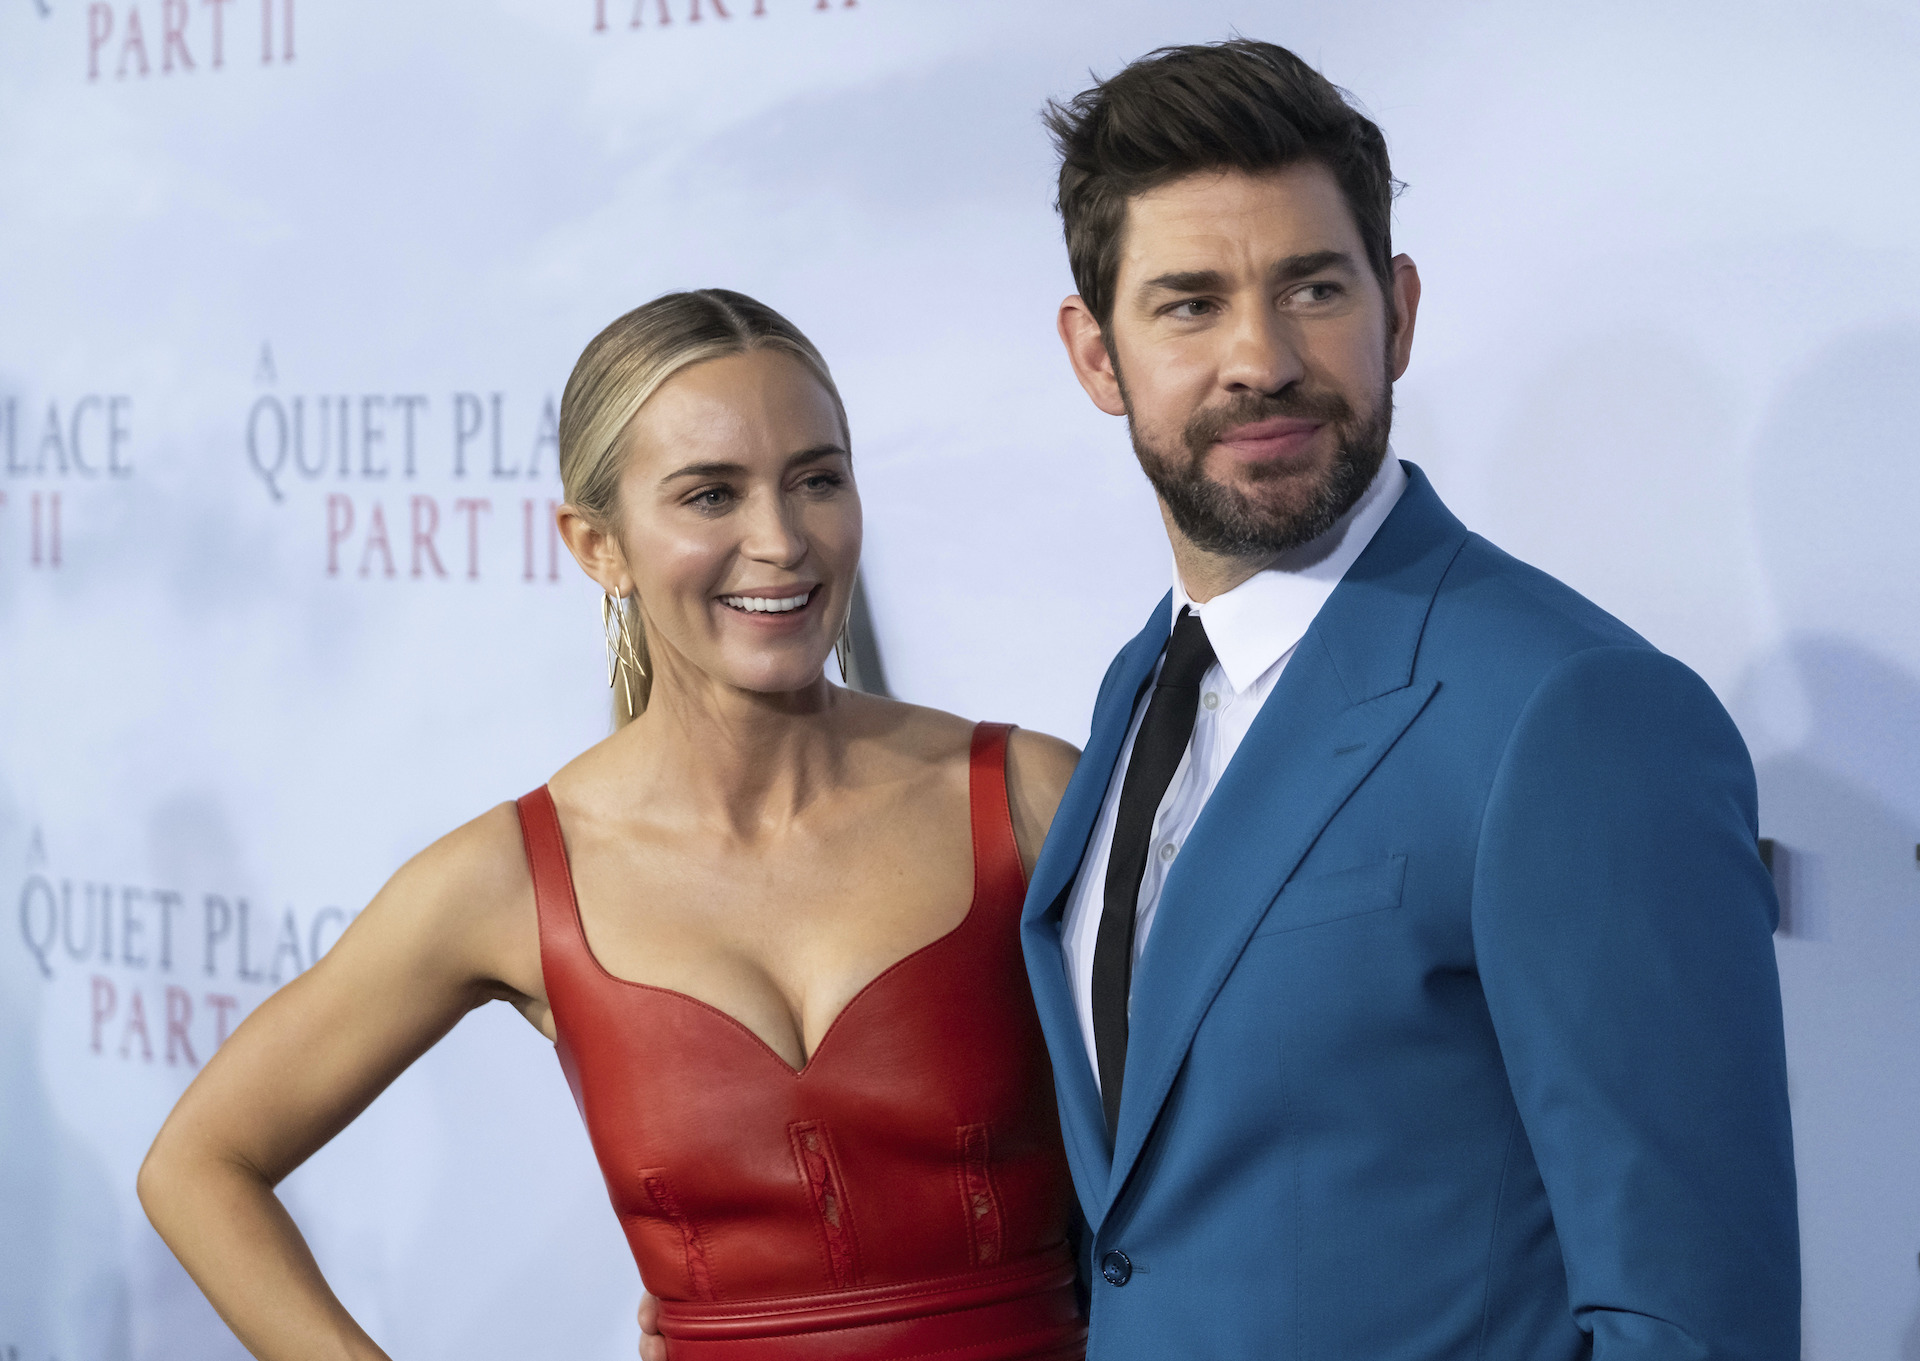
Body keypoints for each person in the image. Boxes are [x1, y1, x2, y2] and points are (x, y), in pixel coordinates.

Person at [1016, 38, 1800, 1359]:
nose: (1260, 359)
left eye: (1312, 287)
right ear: (1097, 356)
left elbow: (1694, 1321)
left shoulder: (1576, 711)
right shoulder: (1142, 682)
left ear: (1400, 309)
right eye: (1191, 304)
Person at [138, 290, 1089, 1361]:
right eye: (710, 494)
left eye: (816, 479)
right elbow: (198, 1162)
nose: (780, 538)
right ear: (599, 546)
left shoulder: (1029, 796)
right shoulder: (512, 878)